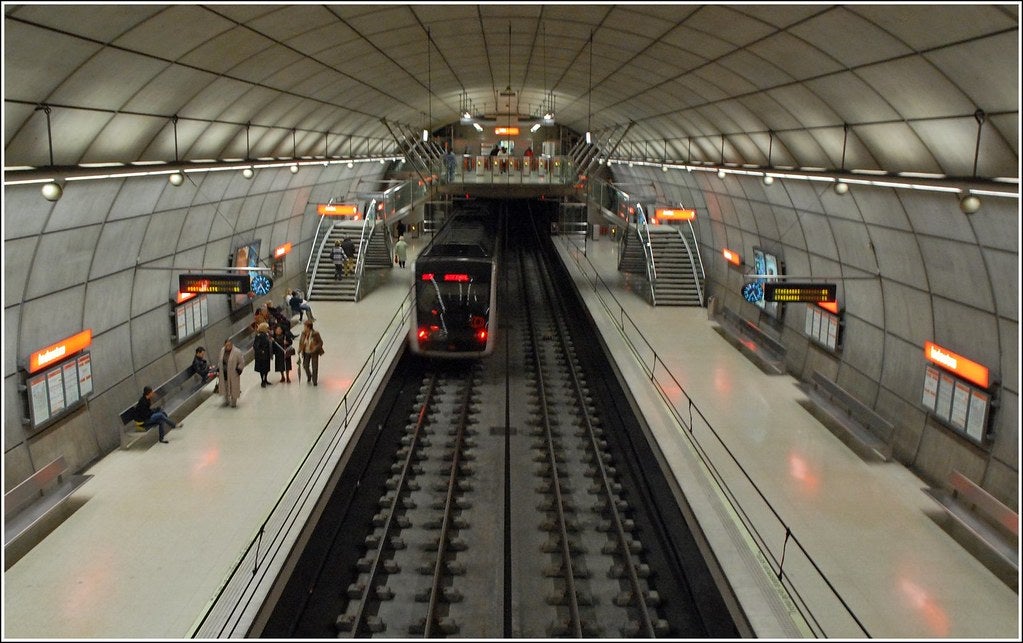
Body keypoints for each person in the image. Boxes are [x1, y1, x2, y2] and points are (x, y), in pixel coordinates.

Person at [218, 339, 244, 407]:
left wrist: (239, 369)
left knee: (233, 387)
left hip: (233, 373)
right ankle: (226, 400)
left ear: (232, 345)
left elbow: (241, 362)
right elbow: (220, 360)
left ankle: (233, 402)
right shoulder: (222, 350)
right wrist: (219, 368)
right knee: (225, 386)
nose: (228, 347)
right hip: (224, 372)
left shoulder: (237, 352)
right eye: (226, 345)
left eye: (229, 345)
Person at [298, 319, 324, 386]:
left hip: (314, 352)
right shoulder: (303, 333)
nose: (304, 328)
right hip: (306, 352)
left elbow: (320, 342)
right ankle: (309, 375)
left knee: (314, 367)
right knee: (305, 365)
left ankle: (314, 381)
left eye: (305, 326)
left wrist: (315, 348)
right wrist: (300, 349)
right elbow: (301, 342)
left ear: (308, 327)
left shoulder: (315, 334)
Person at [253, 321, 273, 387]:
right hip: (261, 356)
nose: (268, 329)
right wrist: (261, 351)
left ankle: (266, 379)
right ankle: (263, 381)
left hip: (267, 355)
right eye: (267, 328)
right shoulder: (259, 336)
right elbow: (256, 345)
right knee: (262, 369)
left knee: (266, 368)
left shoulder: (266, 335)